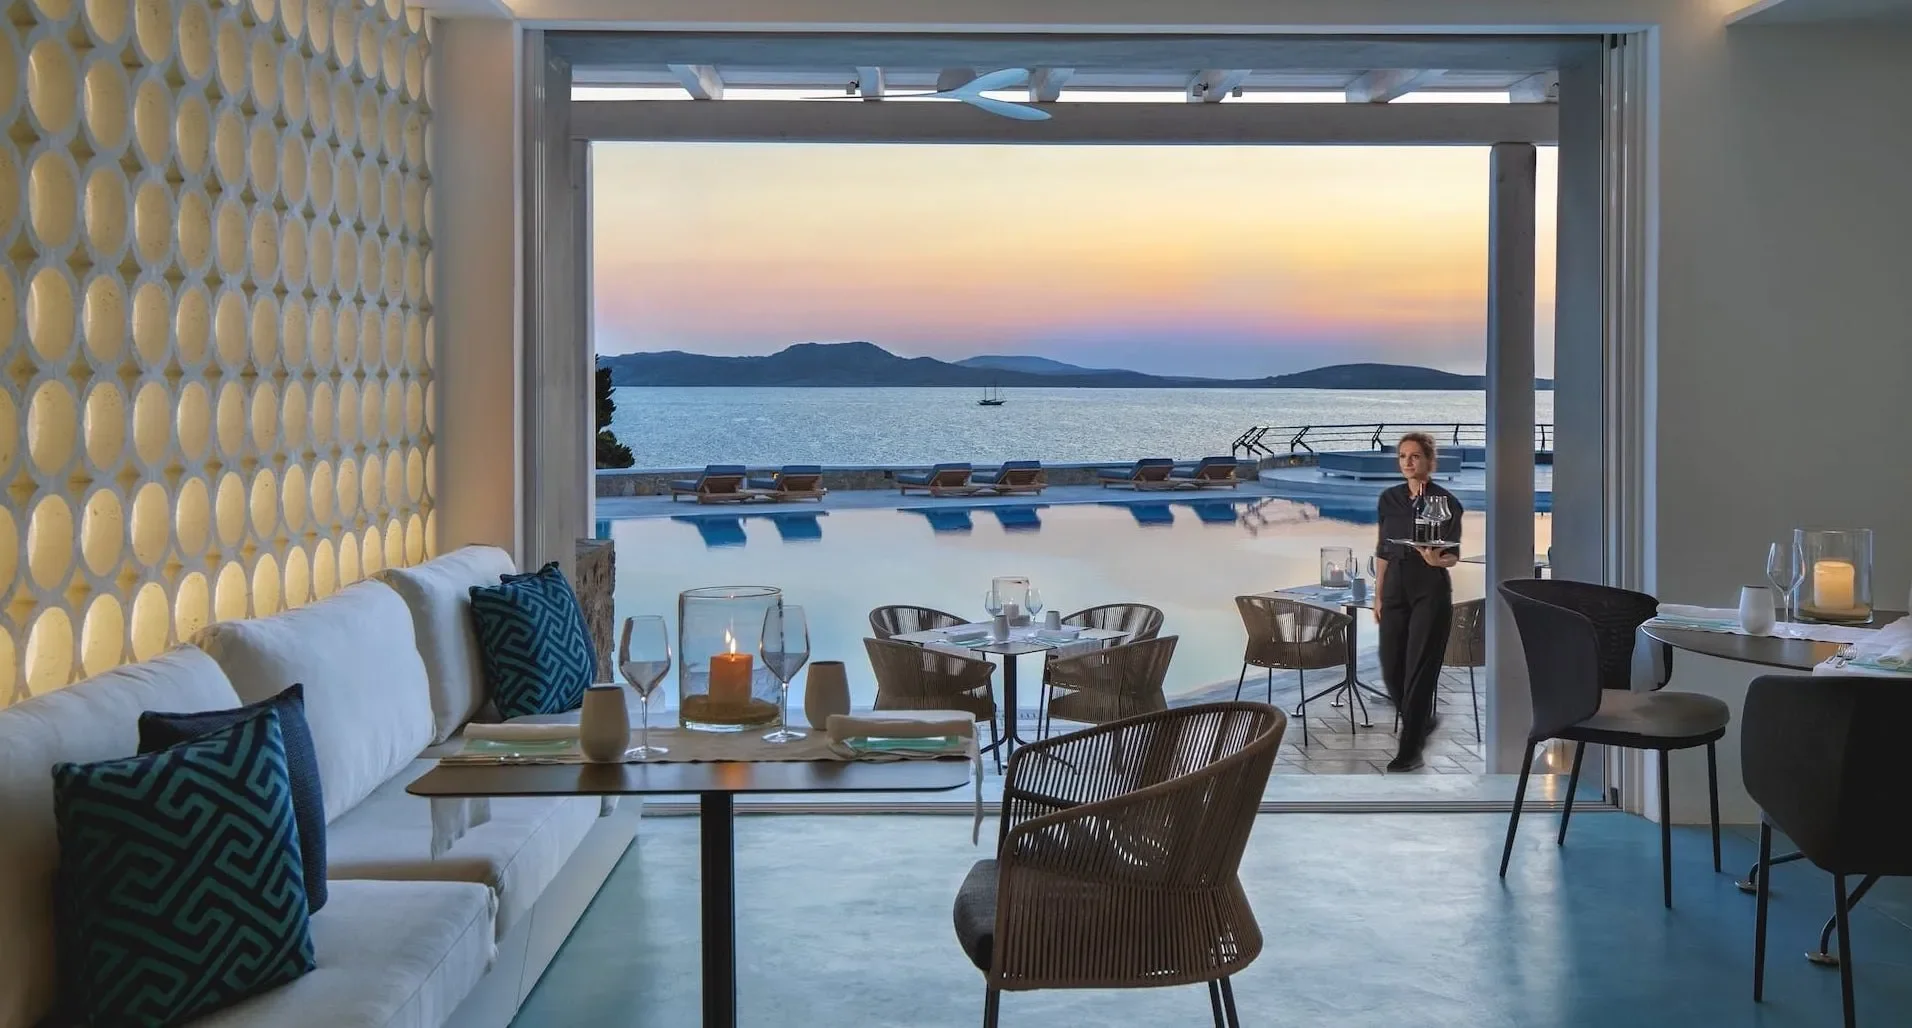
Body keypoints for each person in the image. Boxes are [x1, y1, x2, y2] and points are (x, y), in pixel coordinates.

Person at [1372, 432, 1461, 772]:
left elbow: (1451, 554)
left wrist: (1439, 561)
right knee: (1391, 667)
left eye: (1415, 456)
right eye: (1403, 456)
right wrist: (1379, 594)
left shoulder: (1447, 501)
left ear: (1429, 461)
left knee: (1420, 671)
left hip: (1429, 587)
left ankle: (1410, 751)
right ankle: (1421, 721)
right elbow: (1382, 549)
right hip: (1395, 584)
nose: (1408, 461)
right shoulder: (1389, 499)